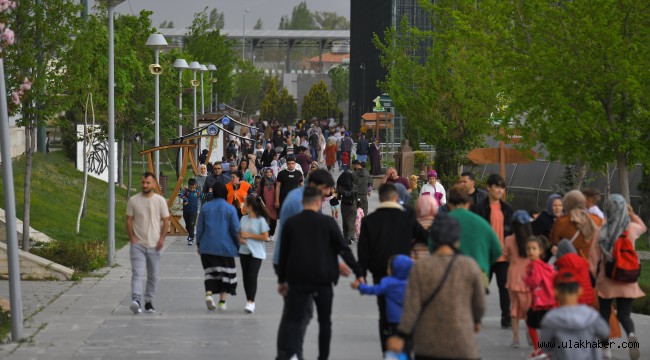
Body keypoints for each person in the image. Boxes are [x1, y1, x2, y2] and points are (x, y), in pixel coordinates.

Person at [276, 186, 364, 360]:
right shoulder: (328, 223)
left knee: (295, 318)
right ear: (318, 202)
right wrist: (358, 272)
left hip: (298, 280)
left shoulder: (291, 223)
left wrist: (281, 280)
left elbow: (283, 254)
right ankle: (322, 357)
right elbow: (343, 249)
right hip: (323, 280)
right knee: (325, 322)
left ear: (302, 202)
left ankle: (293, 353)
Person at [386, 213, 485, 360]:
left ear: (433, 239)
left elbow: (411, 307)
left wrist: (401, 335)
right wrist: (476, 321)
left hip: (427, 345)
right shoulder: (470, 266)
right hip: (462, 343)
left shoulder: (420, 267)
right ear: (457, 239)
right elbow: (479, 303)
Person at [273, 170, 338, 360]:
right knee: (299, 313)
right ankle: (291, 353)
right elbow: (306, 237)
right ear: (316, 185)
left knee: (296, 312)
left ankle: (288, 353)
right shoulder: (299, 201)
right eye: (325, 189)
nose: (327, 193)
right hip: (292, 262)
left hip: (292, 260)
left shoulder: (303, 197)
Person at [357, 183, 427, 353]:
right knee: (407, 310)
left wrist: (361, 275)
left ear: (380, 198)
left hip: (381, 273)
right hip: (405, 272)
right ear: (396, 198)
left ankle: (387, 351)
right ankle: (405, 349)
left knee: (384, 313)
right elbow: (425, 237)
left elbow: (363, 252)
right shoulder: (408, 216)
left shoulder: (369, 221)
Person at [590, 194, 645, 360]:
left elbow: (593, 259)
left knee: (605, 315)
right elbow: (643, 227)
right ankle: (631, 336)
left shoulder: (601, 231)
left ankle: (606, 350)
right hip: (627, 279)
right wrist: (632, 214)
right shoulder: (631, 229)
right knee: (624, 315)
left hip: (607, 280)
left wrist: (593, 278)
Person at [472, 173, 514, 328]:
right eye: (497, 186)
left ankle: (506, 318)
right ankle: (476, 318)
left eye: (502, 187)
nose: (500, 190)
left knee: (505, 289)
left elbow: (513, 233)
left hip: (503, 257)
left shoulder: (508, 209)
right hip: (485, 257)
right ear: (489, 187)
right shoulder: (478, 208)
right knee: (481, 289)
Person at [126, 172, 170, 314]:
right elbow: (128, 219)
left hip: (155, 244)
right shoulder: (134, 200)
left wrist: (162, 239)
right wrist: (132, 237)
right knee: (137, 273)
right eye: (143, 182)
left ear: (154, 184)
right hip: (138, 244)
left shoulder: (159, 200)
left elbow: (166, 221)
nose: (145, 185)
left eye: (148, 183)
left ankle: (149, 302)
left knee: (153, 275)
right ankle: (136, 300)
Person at [539, 271, 609, 360]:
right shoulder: (591, 315)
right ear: (580, 291)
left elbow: (545, 346)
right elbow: (604, 332)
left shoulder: (550, 319)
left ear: (555, 292)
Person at [351, 255, 413, 355]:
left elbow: (373, 290)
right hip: (409, 320)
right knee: (407, 344)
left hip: (394, 321)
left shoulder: (388, 283)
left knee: (394, 344)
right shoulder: (412, 283)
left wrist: (360, 287)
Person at [196, 183, 240, 311]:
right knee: (226, 274)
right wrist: (239, 245)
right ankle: (222, 302)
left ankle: (209, 294)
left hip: (207, 247)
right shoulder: (230, 209)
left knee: (211, 273)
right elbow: (235, 230)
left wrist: (199, 244)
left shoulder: (205, 208)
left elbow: (199, 229)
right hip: (225, 248)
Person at [447, 185, 502, 287]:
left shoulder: (443, 222)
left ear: (449, 204)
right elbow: (497, 250)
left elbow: (432, 246)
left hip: (450, 273)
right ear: (468, 204)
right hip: (478, 272)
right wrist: (484, 262)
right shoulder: (482, 222)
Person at [503, 210, 533, 349]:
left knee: (514, 307)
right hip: (528, 276)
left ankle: (516, 338)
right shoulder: (532, 241)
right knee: (529, 308)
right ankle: (530, 333)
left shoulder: (509, 240)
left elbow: (505, 255)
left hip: (513, 276)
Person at [524, 235, 556, 359]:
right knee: (545, 327)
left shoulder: (534, 266)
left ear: (541, 251)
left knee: (531, 324)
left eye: (534, 248)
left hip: (539, 303)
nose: (531, 251)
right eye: (528, 249)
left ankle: (539, 349)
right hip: (549, 301)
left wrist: (526, 279)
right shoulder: (545, 266)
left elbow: (534, 282)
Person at [238, 196, 270, 314]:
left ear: (250, 206)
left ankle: (251, 302)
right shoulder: (243, 219)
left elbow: (265, 237)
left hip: (257, 253)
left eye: (244, 204)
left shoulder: (260, 220)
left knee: (252, 276)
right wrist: (241, 238)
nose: (243, 206)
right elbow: (240, 233)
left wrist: (249, 236)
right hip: (244, 251)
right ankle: (248, 300)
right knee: (246, 277)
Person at [550, 190, 602, 260]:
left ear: (566, 204)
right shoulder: (597, 220)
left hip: (570, 263)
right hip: (591, 264)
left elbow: (555, 242)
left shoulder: (561, 222)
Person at [555, 240, 594, 306]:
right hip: (588, 300)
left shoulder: (563, 263)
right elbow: (593, 282)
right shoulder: (582, 261)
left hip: (572, 300)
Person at [412, 195, 438, 260]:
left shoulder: (412, 224)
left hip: (416, 263)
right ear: (434, 207)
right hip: (435, 263)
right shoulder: (439, 224)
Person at [178, 178, 202, 245]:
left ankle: (190, 238)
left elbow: (204, 196)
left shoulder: (197, 192)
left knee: (192, 224)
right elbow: (179, 194)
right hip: (186, 211)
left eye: (193, 187)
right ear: (188, 186)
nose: (192, 189)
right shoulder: (186, 191)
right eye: (190, 187)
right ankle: (191, 234)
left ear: (196, 186)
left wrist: (210, 193)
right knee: (187, 226)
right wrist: (185, 199)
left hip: (193, 211)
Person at [337, 170, 358, 244]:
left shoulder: (340, 186)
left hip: (344, 205)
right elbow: (356, 197)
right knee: (351, 220)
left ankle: (345, 236)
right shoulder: (354, 185)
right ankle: (350, 235)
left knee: (345, 219)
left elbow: (338, 197)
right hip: (352, 205)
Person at [258, 167, 279, 240]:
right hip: (265, 203)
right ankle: (267, 234)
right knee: (265, 219)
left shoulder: (276, 181)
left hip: (273, 203)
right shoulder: (263, 181)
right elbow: (259, 191)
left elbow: (278, 191)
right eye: (267, 172)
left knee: (273, 219)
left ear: (272, 173)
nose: (268, 173)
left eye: (270, 172)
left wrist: (277, 201)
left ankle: (272, 234)